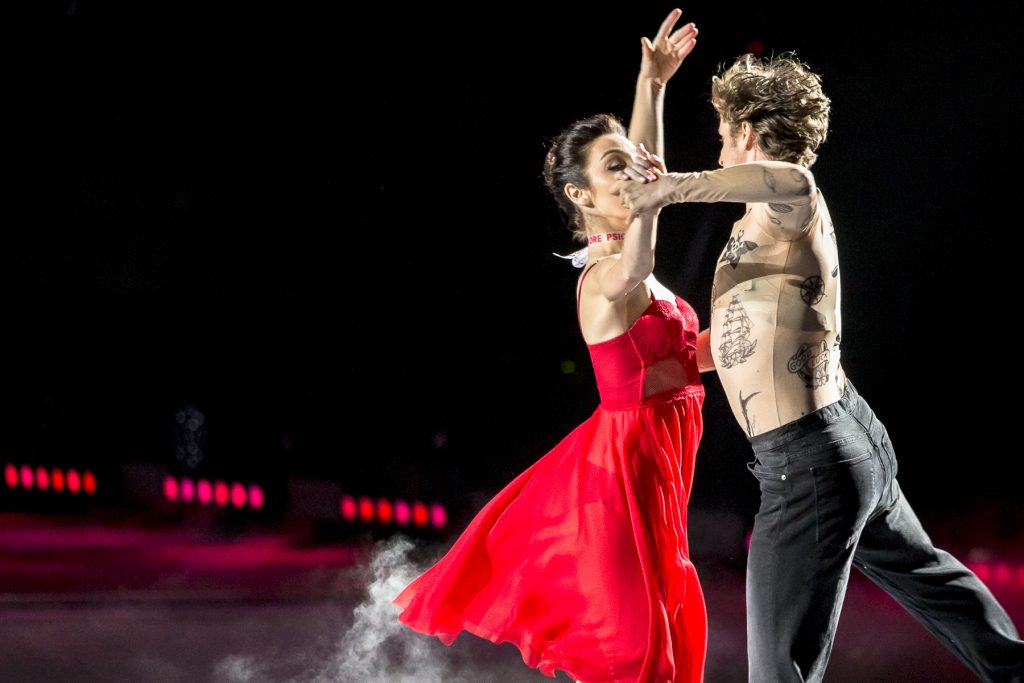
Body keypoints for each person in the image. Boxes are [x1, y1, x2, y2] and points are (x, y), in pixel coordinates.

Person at [615, 51, 1024, 682]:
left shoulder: (794, 197)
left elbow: (785, 180)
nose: (719, 145)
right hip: (846, 442)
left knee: (778, 668)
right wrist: (661, 368)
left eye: (723, 131)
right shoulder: (762, 223)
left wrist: (669, 188)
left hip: (809, 462)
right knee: (935, 584)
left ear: (747, 130)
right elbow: (742, 339)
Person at [393, 10, 711, 682]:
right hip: (622, 478)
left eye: (634, 164)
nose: (637, 173)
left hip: (662, 468)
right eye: (614, 168)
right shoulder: (604, 278)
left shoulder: (638, 267)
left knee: (668, 643)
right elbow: (642, 241)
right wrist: (653, 193)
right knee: (639, 655)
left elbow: (684, 358)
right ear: (579, 194)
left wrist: (652, 85)